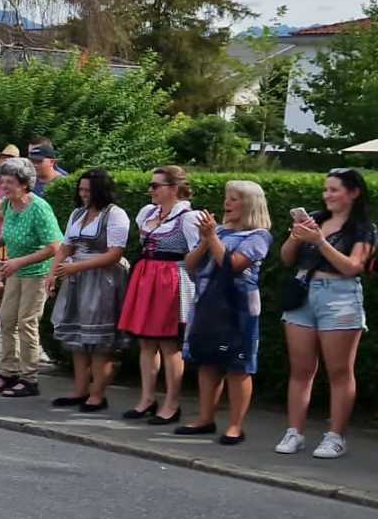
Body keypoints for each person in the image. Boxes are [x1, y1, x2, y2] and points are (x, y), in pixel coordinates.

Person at [278, 168, 373, 458]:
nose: (327, 195)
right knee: (301, 369)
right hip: (303, 293)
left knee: (339, 371)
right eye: (325, 189)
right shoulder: (315, 219)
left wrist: (319, 241)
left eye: (334, 190)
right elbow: (286, 258)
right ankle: (294, 432)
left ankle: (336, 436)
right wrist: (296, 236)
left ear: (353, 193)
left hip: (339, 296)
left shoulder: (363, 228)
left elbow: (353, 267)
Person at [178, 182, 272, 444]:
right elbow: (190, 264)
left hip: (238, 306)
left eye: (234, 199)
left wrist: (212, 238)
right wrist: (205, 240)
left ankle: (235, 426)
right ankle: (204, 419)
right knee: (208, 361)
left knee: (237, 365)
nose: (227, 203)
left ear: (250, 204)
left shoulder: (259, 236)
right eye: (227, 197)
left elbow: (232, 264)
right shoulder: (217, 231)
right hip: (208, 302)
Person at [117, 166, 201, 424]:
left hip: (171, 279)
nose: (150, 190)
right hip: (147, 277)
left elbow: (196, 257)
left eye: (155, 186)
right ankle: (147, 398)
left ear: (173, 188)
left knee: (169, 344)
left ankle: (172, 403)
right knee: (146, 342)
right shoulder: (149, 213)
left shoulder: (188, 218)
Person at [46, 169, 129, 412]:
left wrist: (77, 267)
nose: (83, 194)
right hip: (77, 278)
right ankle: (80, 390)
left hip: (103, 279)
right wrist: (52, 273)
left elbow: (115, 254)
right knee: (78, 339)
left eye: (88, 191)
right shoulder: (78, 213)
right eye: (81, 190)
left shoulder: (115, 214)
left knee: (100, 341)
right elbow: (66, 247)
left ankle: (97, 394)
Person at [0, 157, 62, 398]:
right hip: (14, 271)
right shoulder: (8, 204)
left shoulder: (39, 208)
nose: (4, 186)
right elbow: (9, 231)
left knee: (27, 322)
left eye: (9, 182)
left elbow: (54, 247)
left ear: (25, 184)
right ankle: (9, 371)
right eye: (3, 181)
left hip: (37, 273)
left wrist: (20, 261)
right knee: (7, 319)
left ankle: (30, 378)